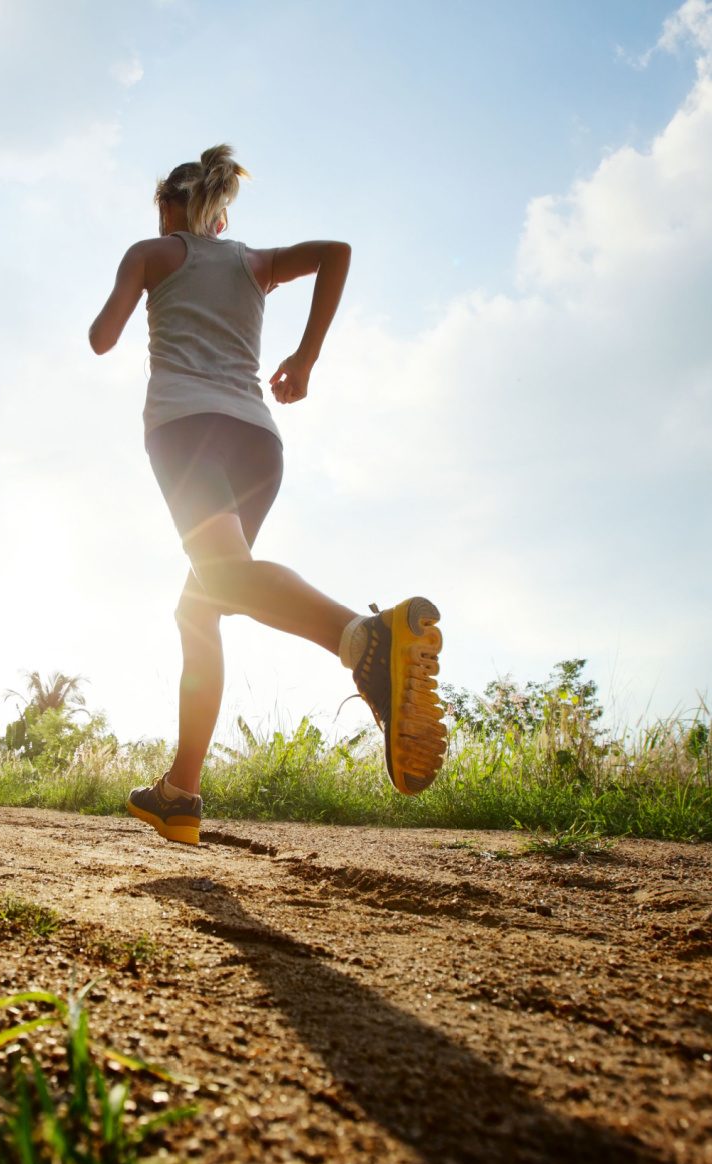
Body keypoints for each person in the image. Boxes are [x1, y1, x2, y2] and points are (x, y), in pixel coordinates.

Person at [89, 145, 445, 846]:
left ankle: (365, 639)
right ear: (219, 216)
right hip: (257, 440)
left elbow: (102, 339)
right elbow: (336, 252)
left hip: (186, 429)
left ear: (169, 209)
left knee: (220, 581)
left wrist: (137, 280)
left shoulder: (151, 253)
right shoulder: (253, 262)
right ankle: (180, 792)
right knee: (202, 605)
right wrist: (305, 356)